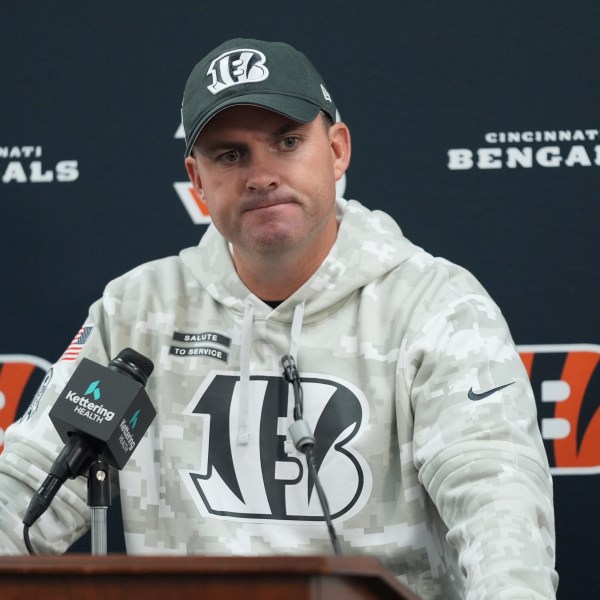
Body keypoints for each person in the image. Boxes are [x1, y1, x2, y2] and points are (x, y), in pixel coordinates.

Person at [0, 38, 558, 599]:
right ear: (197, 179)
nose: (260, 174)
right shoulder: (138, 309)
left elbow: (497, 502)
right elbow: (29, 487)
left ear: (337, 150)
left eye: (287, 142)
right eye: (230, 155)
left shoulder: (435, 303)